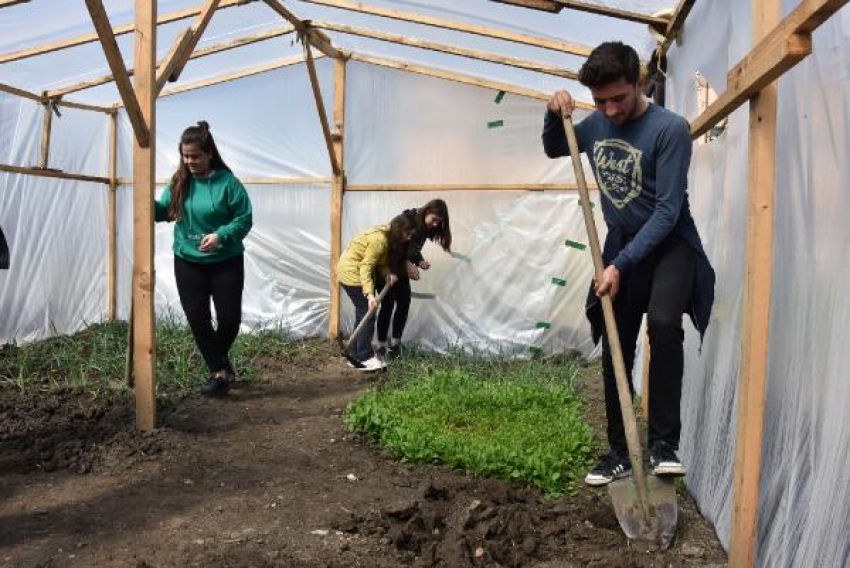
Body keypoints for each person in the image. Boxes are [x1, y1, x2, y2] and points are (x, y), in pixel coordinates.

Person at [542, 42, 715, 485]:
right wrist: (553, 111)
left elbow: (668, 210)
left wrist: (619, 264)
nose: (610, 109)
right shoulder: (597, 123)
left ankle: (663, 445)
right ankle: (619, 452)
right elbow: (555, 148)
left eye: (618, 97)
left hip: (670, 245)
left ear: (639, 83)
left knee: (662, 321)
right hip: (620, 244)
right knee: (615, 339)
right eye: (600, 101)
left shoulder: (669, 129)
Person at [155, 121, 252, 397]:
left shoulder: (228, 183)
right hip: (187, 260)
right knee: (198, 319)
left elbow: (244, 219)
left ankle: (219, 361)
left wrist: (221, 235)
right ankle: (219, 373)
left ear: (209, 153)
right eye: (185, 156)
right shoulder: (179, 182)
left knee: (230, 320)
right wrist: (145, 203)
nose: (190, 161)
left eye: (195, 156)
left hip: (226, 261)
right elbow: (165, 211)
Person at [338, 214, 417, 371]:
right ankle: (365, 357)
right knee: (368, 311)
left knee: (363, 313)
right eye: (407, 234)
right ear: (398, 229)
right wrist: (369, 294)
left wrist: (388, 272)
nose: (408, 238)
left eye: (411, 235)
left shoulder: (389, 237)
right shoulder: (379, 240)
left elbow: (379, 262)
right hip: (352, 273)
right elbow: (366, 266)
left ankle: (354, 352)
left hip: (356, 271)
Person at [375, 199, 452, 359]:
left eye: (439, 222)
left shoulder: (424, 227)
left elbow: (412, 247)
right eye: (435, 220)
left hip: (401, 267)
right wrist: (406, 263)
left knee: (404, 302)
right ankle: (381, 345)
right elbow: (391, 244)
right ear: (427, 211)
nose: (436, 225)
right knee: (387, 304)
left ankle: (395, 343)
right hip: (386, 266)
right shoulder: (407, 219)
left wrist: (419, 261)